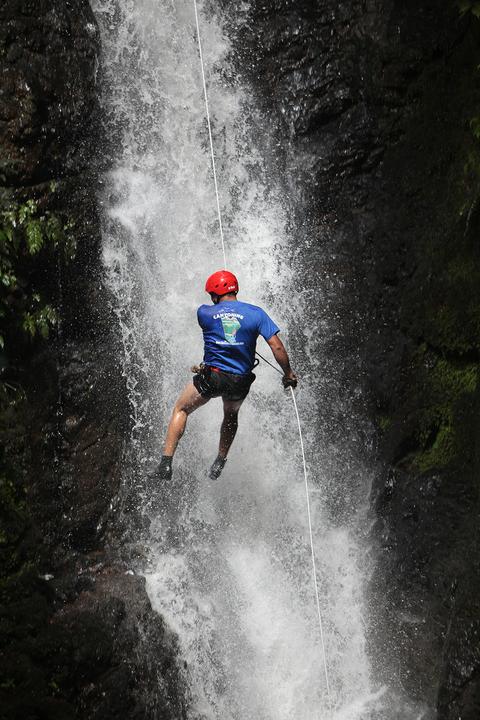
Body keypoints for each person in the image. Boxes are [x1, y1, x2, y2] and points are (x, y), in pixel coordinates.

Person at [153, 270, 297, 482]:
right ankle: (220, 460)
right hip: (240, 382)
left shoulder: (204, 313)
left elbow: (219, 321)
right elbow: (277, 347)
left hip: (214, 378)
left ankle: (165, 464)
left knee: (181, 408)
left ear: (214, 295)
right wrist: (288, 374)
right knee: (230, 414)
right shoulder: (257, 314)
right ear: (235, 289)